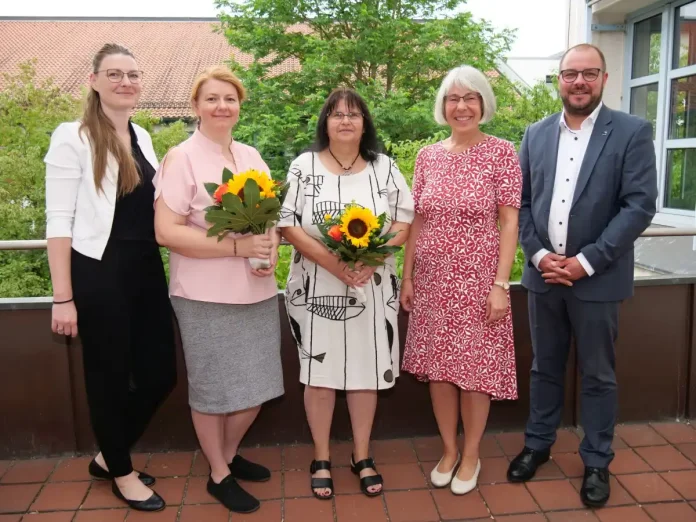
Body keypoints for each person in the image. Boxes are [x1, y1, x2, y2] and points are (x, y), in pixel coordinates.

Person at [507, 43, 657, 507]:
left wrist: (586, 260)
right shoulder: (534, 133)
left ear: (604, 79)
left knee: (598, 374)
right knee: (544, 367)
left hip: (598, 278)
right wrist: (536, 255)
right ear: (558, 80)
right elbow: (524, 204)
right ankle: (538, 445)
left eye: (589, 73)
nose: (578, 82)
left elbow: (638, 206)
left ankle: (596, 460)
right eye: (570, 74)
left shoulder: (631, 131)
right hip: (543, 276)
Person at [45, 43, 176, 512]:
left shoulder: (141, 134)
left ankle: (107, 456)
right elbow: (58, 222)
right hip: (98, 271)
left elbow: (160, 206)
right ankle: (122, 471)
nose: (126, 82)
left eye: (133, 74)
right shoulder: (73, 136)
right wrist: (64, 298)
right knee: (109, 377)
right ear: (95, 80)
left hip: (144, 268)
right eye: (115, 73)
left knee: (161, 373)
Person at [153, 66, 284, 514]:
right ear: (196, 106)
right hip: (203, 294)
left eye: (229, 98)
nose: (221, 106)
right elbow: (165, 231)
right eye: (211, 99)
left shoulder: (250, 155)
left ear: (239, 105)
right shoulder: (182, 158)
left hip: (256, 289)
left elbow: (269, 219)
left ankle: (226, 456)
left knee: (257, 385)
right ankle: (218, 472)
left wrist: (270, 251)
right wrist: (235, 245)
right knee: (213, 389)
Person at [279, 88, 414, 499]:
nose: (345, 121)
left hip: (372, 288)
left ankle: (361, 454)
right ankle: (321, 456)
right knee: (319, 374)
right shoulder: (304, 166)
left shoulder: (384, 167)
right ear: (325, 122)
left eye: (354, 114)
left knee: (366, 371)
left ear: (364, 123)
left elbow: (404, 220)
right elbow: (287, 223)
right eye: (336, 114)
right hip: (316, 286)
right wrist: (333, 263)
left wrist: (372, 260)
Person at [400, 65, 522, 495]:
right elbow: (418, 220)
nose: (462, 106)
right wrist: (408, 275)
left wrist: (500, 285)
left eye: (470, 98)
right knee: (439, 369)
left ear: (483, 104)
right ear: (443, 107)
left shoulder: (502, 152)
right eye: (453, 99)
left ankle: (471, 453)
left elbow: (510, 223)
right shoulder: (427, 156)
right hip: (433, 281)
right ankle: (448, 450)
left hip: (478, 280)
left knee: (473, 370)